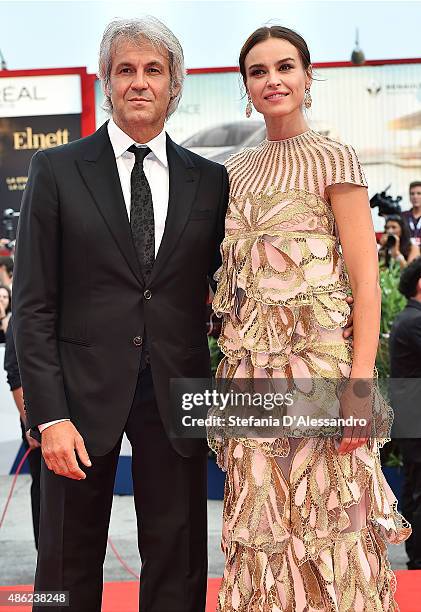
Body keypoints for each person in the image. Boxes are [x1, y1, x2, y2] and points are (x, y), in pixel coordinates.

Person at [12, 17, 228, 612]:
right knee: (62, 562)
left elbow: (219, 293)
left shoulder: (210, 181)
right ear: (105, 81)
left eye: (152, 70)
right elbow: (31, 304)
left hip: (177, 394)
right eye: (125, 70)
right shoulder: (55, 171)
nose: (139, 82)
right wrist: (47, 413)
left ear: (174, 85)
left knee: (179, 560)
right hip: (77, 401)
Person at [209, 25, 411, 610]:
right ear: (245, 86)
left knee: (333, 524)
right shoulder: (236, 173)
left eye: (285, 67)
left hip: (322, 372)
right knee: (264, 527)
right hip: (252, 379)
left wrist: (359, 387)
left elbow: (365, 287)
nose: (273, 80)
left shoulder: (335, 157)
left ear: (307, 76)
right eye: (258, 71)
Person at [389, 256, 421, 570]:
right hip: (416, 418)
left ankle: (416, 552)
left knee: (414, 486)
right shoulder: (414, 321)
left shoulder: (409, 319)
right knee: (418, 488)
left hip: (412, 416)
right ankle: (418, 554)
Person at [3, 317, 41, 549]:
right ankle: (45, 551)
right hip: (38, 419)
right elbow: (14, 372)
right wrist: (29, 421)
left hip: (73, 418)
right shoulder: (21, 315)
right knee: (44, 486)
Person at [402, 181, 421, 247]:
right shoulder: (402, 216)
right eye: (412, 194)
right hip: (406, 254)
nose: (415, 197)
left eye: (419, 193)